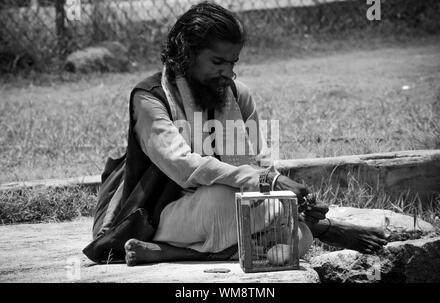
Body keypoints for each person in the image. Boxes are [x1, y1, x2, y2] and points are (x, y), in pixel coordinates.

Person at [83, 1, 388, 266]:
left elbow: (262, 164)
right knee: (224, 200)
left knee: (300, 236)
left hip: (237, 204)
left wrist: (292, 203)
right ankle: (176, 246)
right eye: (218, 62)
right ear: (187, 54)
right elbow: (183, 166)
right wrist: (266, 183)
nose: (228, 72)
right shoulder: (150, 98)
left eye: (233, 62)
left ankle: (173, 254)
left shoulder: (237, 95)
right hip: (163, 215)